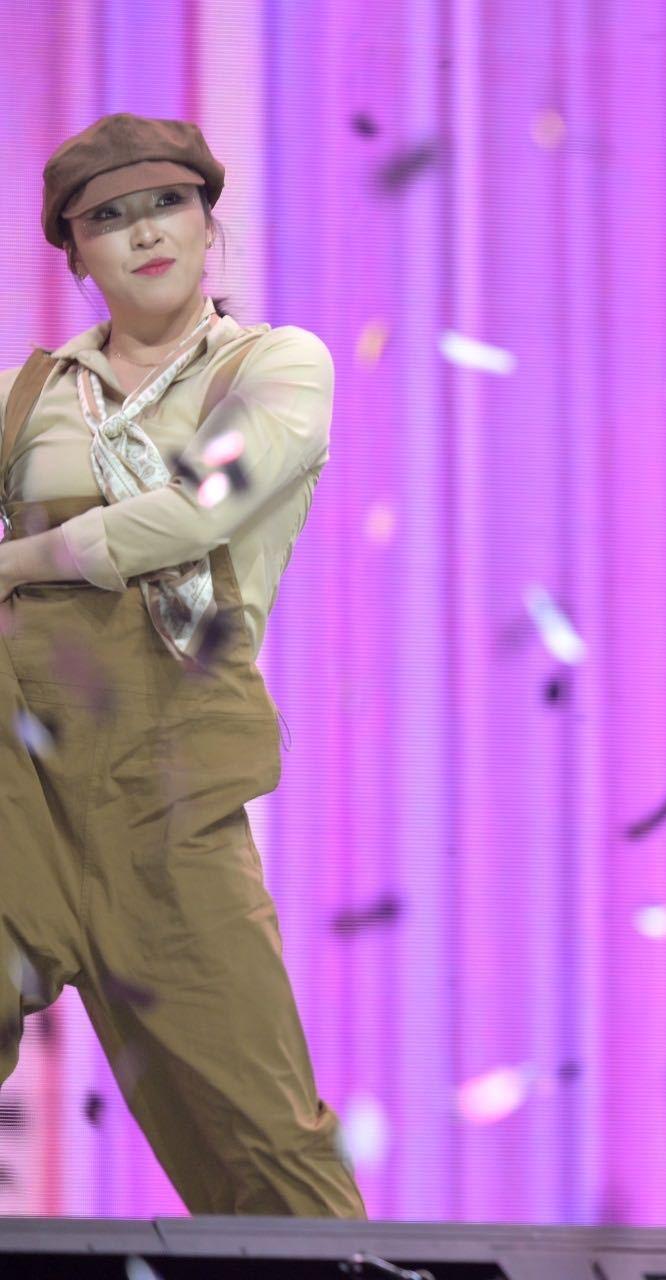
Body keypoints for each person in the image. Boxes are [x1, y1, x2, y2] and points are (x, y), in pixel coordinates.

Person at [0, 113, 363, 1217]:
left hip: (167, 787)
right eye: (108, 217)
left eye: (166, 203)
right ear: (74, 252)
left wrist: (19, 558)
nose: (145, 231)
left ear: (210, 222)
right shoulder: (26, 396)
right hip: (16, 771)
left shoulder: (276, 364)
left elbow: (200, 507)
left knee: (263, 1134)